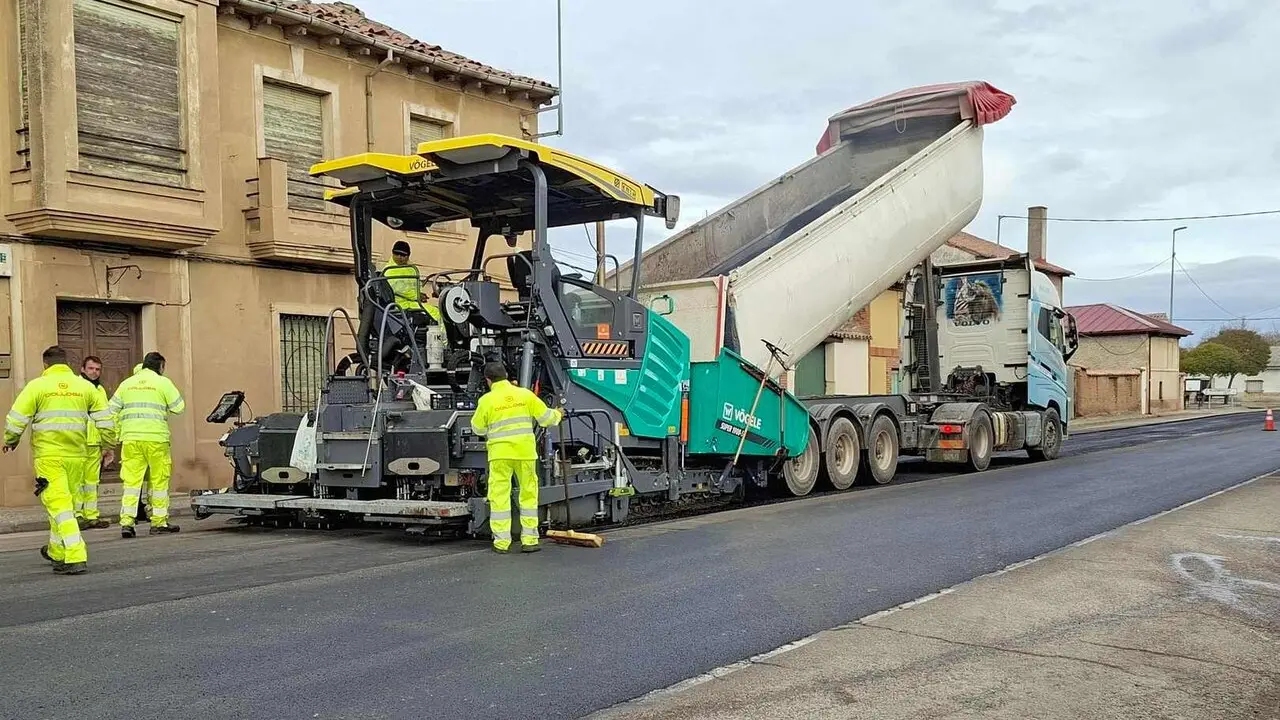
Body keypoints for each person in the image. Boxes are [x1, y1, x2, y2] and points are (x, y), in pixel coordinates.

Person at [4, 345, 115, 574]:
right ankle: (56, 551)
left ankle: (75, 554)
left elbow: (16, 419)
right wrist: (108, 445)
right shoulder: (85, 387)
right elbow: (106, 421)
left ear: (45, 364)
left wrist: (11, 439)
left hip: (49, 456)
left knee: (59, 505)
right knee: (66, 505)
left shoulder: (37, 386)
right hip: (77, 456)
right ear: (67, 363)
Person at [469, 361, 562, 554]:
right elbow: (546, 418)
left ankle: (502, 543)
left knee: (499, 496)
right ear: (506, 376)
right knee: (528, 494)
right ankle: (529, 540)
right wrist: (559, 414)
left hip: (500, 455)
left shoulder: (486, 401)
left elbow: (477, 428)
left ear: (488, 380)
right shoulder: (525, 395)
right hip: (525, 453)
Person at [109, 351, 185, 537]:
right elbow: (178, 407)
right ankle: (159, 522)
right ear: (160, 367)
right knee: (159, 481)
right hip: (156, 439)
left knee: (132, 483)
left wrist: (116, 434)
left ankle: (127, 523)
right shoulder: (163, 382)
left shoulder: (127, 383)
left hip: (131, 439)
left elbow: (111, 409)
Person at [74, 355, 113, 529]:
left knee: (91, 482)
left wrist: (106, 445)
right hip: (78, 441)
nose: (94, 372)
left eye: (97, 369)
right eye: (91, 368)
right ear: (82, 369)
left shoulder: (100, 390)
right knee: (76, 481)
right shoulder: (76, 387)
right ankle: (77, 515)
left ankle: (91, 515)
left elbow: (105, 418)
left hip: (94, 442)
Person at [382, 240, 442, 323]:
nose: (399, 257)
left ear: (408, 256)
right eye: (396, 254)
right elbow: (400, 289)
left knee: (437, 311)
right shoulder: (389, 270)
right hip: (400, 305)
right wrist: (417, 296)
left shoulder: (412, 269)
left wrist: (421, 294)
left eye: (403, 255)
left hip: (411, 303)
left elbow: (417, 285)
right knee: (436, 313)